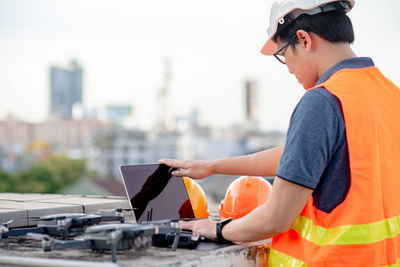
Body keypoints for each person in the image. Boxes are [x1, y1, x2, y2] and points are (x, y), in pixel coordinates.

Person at [160, 0, 400, 265]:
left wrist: (216, 229)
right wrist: (212, 167)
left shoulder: (323, 101)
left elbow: (277, 217)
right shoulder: (389, 95)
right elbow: (300, 157)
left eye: (283, 54)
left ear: (304, 40)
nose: (287, 67)